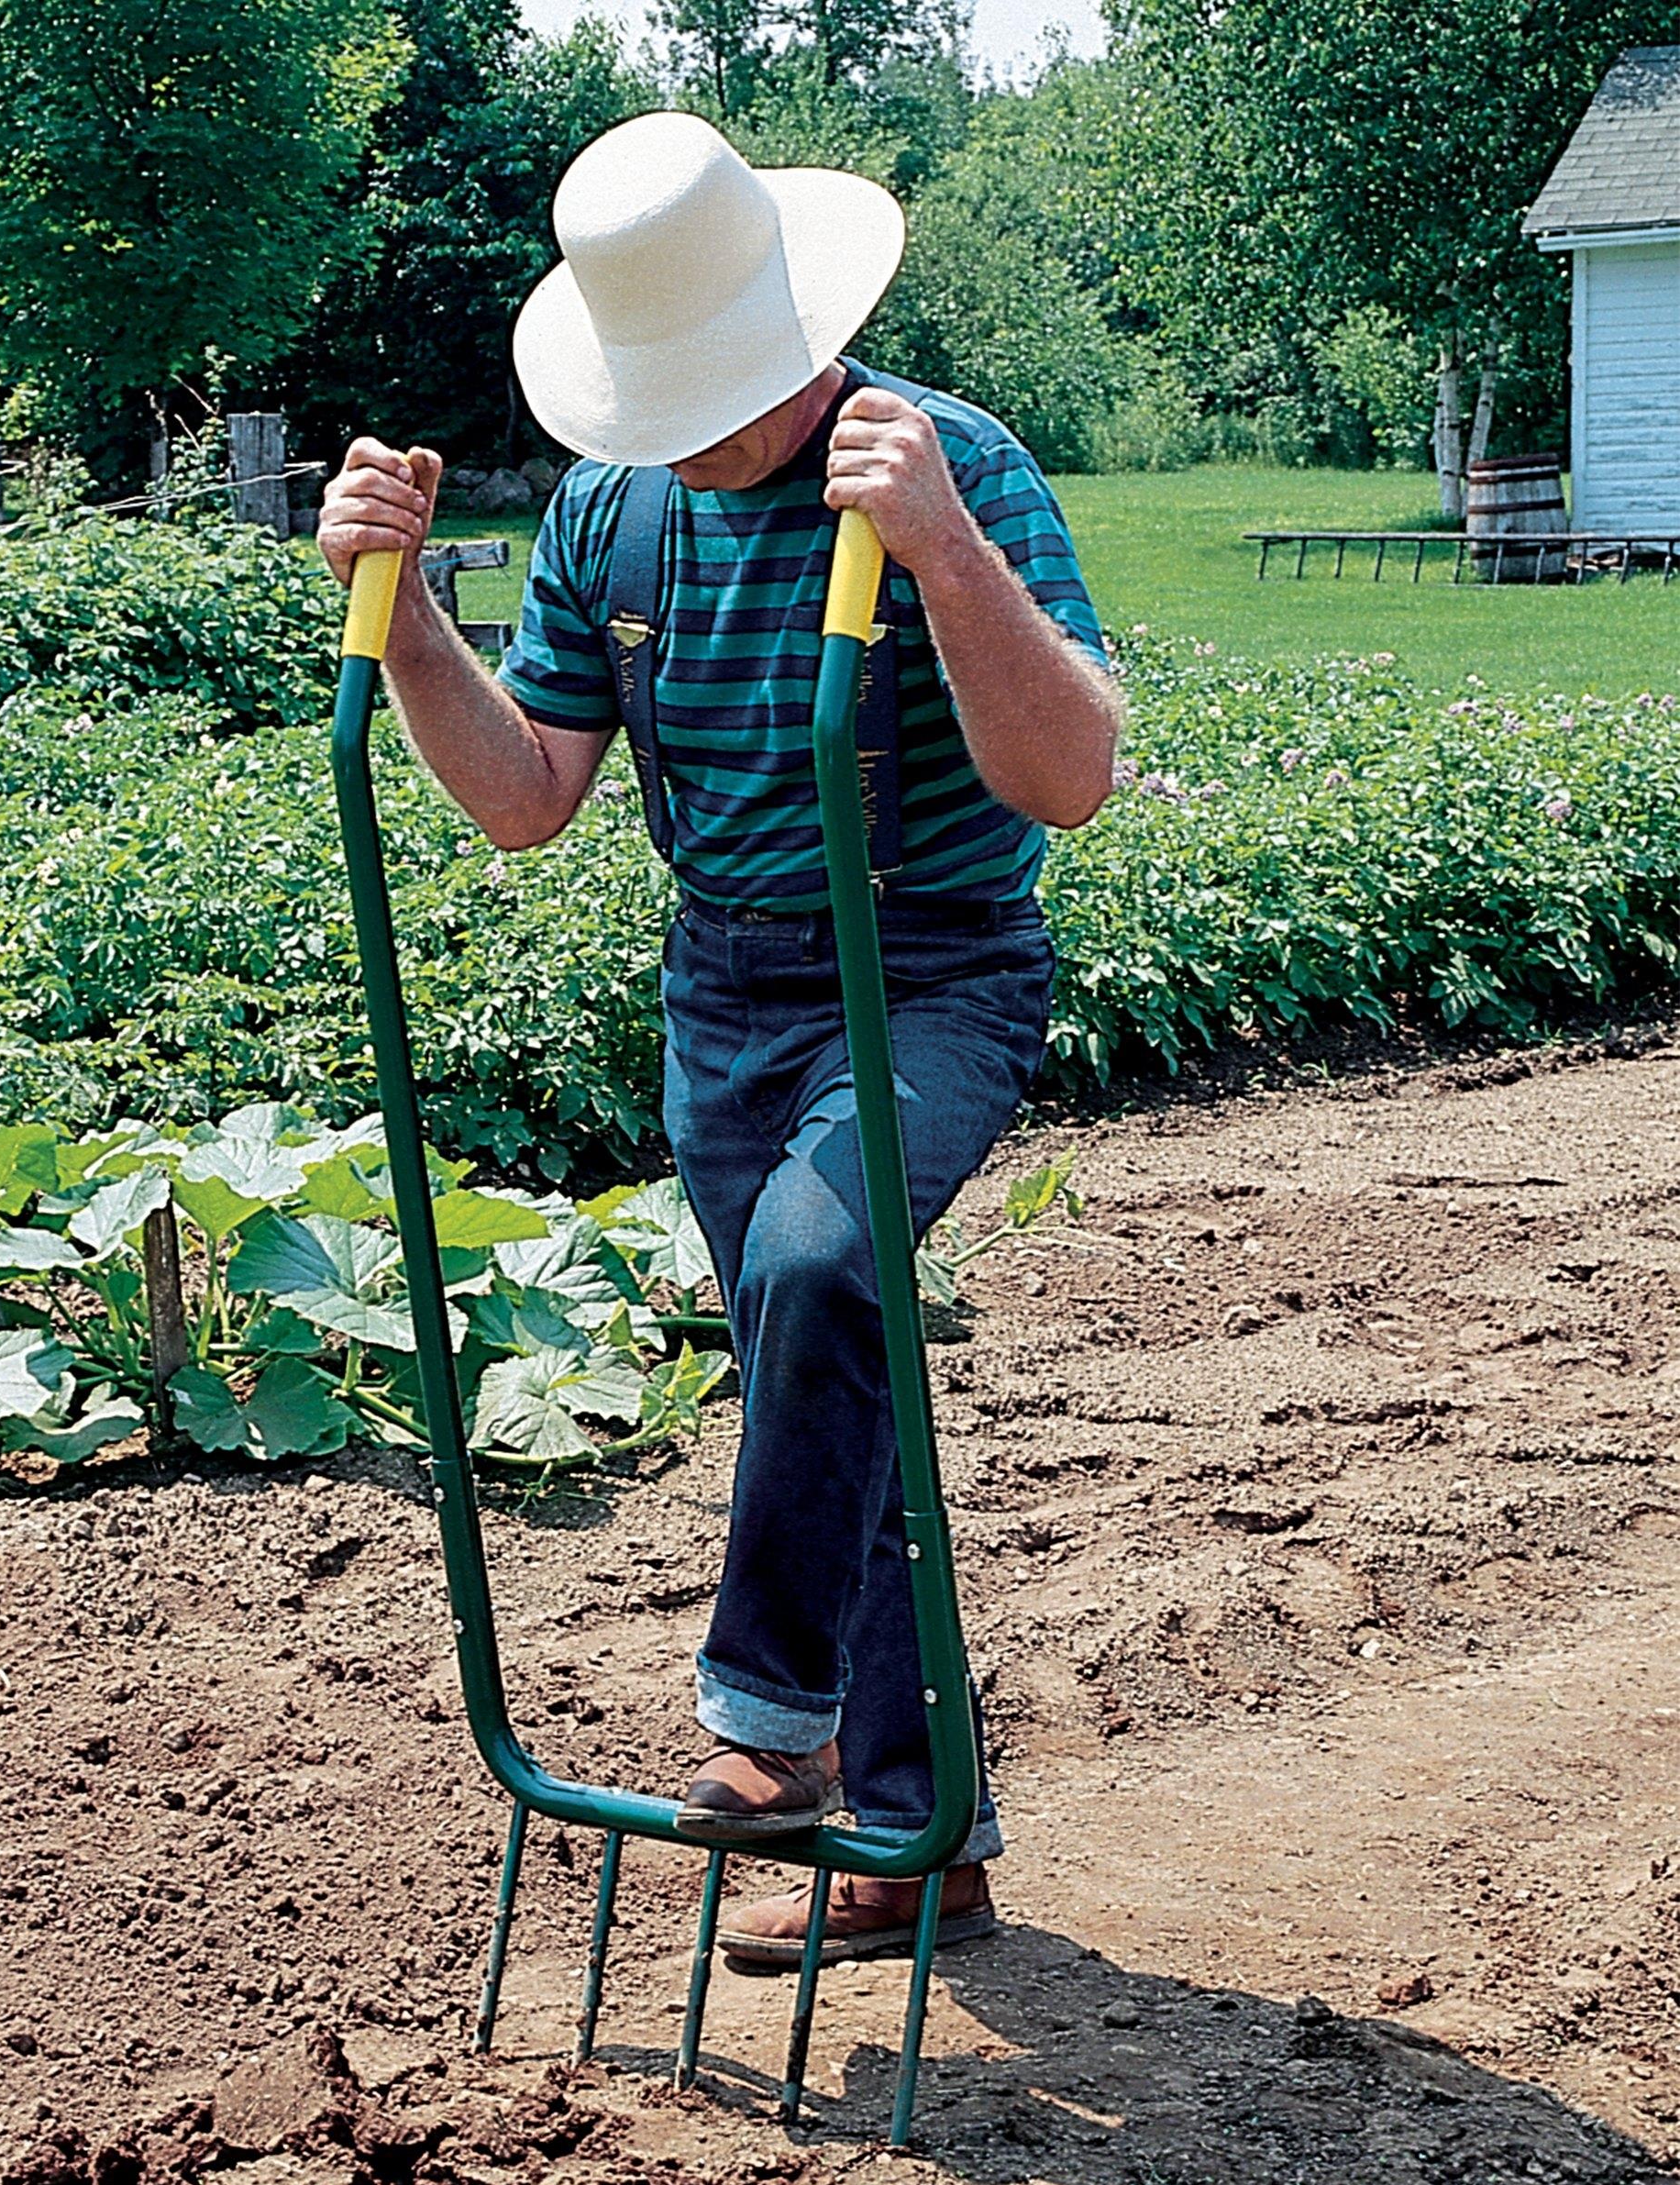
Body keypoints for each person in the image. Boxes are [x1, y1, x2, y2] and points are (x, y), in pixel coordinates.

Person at [317, 111, 1120, 1969]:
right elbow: (523, 796)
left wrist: (936, 555)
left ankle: (772, 1730)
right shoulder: (613, 505)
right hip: (728, 991)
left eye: (717, 388)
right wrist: (412, 604)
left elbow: (1067, 777)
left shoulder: (947, 464)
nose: (693, 427)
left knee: (823, 1268)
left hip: (930, 961)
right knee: (827, 1374)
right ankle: (931, 1842)